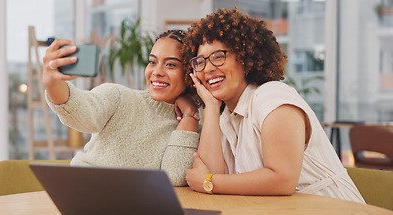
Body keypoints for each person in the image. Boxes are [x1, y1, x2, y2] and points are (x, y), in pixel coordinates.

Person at [182, 7, 365, 203]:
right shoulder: (227, 116)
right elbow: (215, 176)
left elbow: (282, 179)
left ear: (245, 58)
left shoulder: (271, 96)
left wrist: (209, 182)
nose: (208, 68)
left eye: (218, 57)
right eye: (200, 62)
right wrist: (210, 106)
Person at [42, 30, 200, 186]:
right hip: (80, 191)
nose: (157, 72)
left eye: (171, 65)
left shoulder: (193, 130)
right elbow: (82, 112)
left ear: (189, 72)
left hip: (132, 208)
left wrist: (190, 115)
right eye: (152, 62)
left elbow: (174, 176)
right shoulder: (118, 96)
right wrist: (52, 84)